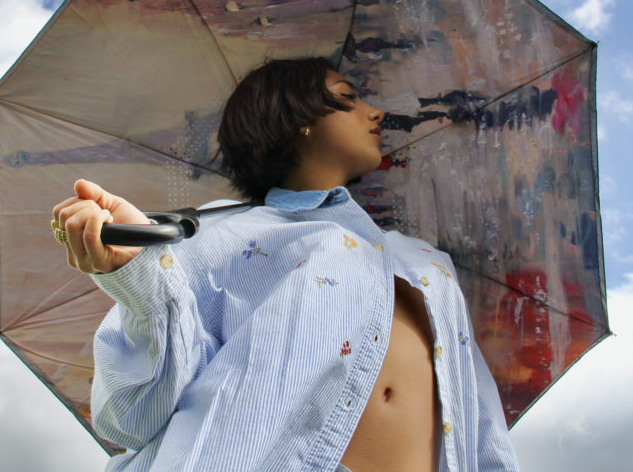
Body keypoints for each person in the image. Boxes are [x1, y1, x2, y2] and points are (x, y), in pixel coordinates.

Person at [51, 58, 520, 471]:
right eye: (347, 98)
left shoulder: (426, 262)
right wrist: (136, 279)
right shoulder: (214, 237)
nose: (374, 112)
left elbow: (479, 423)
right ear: (299, 119)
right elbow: (131, 416)